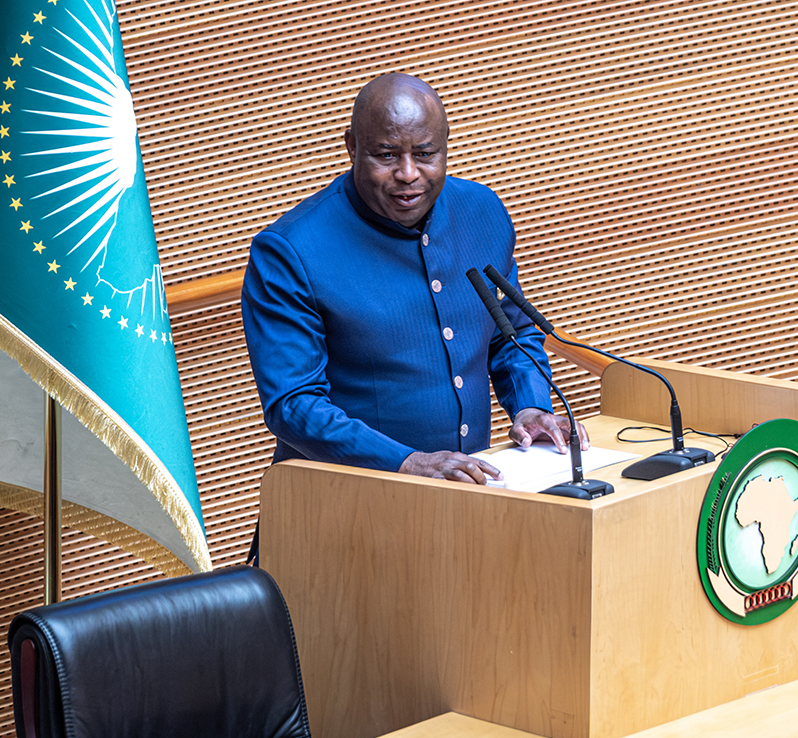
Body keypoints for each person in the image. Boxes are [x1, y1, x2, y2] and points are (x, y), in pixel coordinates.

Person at [241, 73, 586, 499]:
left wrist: (530, 405)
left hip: (466, 499)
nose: (408, 173)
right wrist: (405, 462)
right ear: (352, 146)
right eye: (386, 155)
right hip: (344, 510)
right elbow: (292, 405)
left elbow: (510, 334)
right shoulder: (290, 250)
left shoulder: (483, 212)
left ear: (445, 145)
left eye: (425, 154)